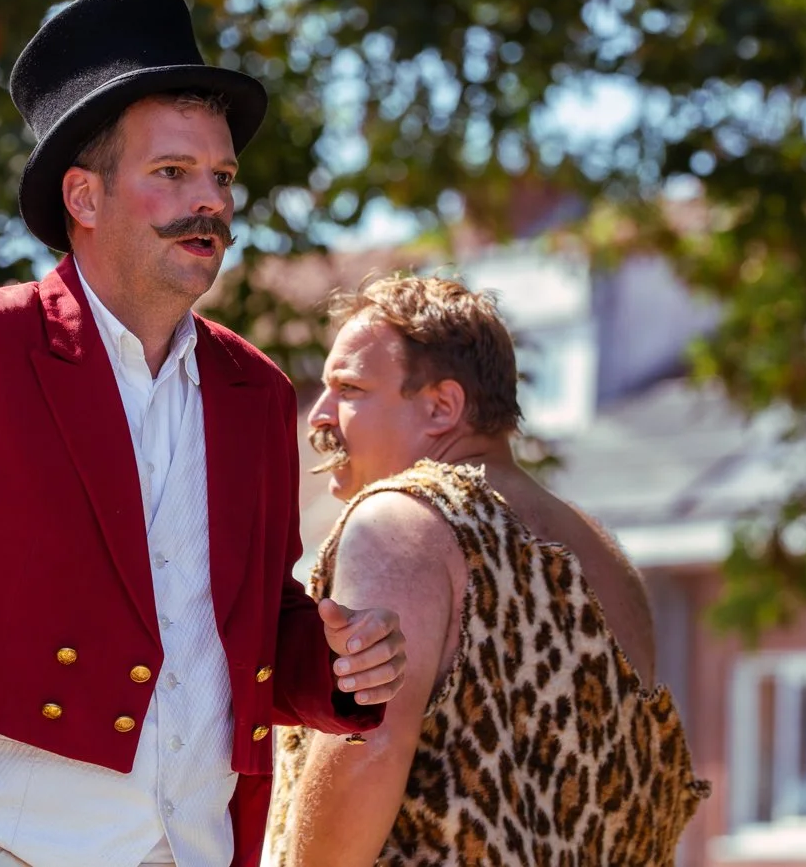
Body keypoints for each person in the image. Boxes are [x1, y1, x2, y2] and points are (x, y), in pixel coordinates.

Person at [0, 0, 409, 867]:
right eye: (172, 173)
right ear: (84, 196)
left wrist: (331, 665)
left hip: (193, 844)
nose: (210, 201)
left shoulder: (252, 391)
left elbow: (240, 629)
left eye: (221, 177)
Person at [267, 276, 709, 866]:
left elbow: (367, 746)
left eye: (349, 389)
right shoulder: (601, 552)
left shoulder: (402, 519)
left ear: (441, 407)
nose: (320, 417)